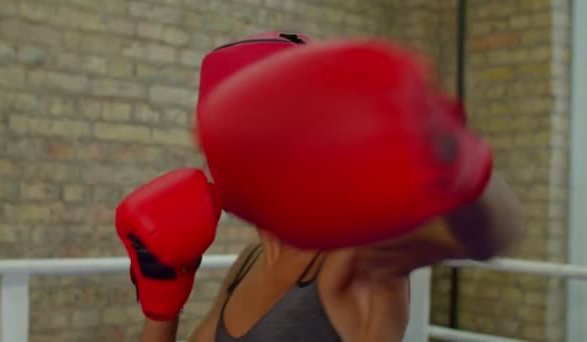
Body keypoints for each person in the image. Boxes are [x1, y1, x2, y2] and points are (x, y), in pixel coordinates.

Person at [116, 33, 524, 342]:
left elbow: (496, 233)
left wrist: (444, 149)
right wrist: (162, 304)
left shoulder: (352, 259)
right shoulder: (249, 263)